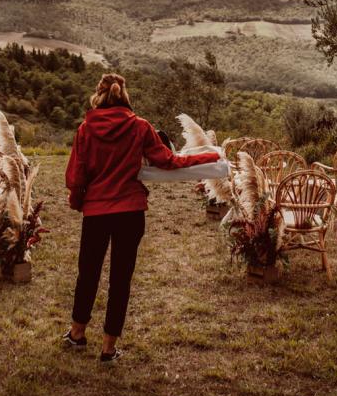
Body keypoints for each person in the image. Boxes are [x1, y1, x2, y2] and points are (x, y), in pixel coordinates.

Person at [64, 73, 221, 362]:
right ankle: (108, 348)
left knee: (87, 273)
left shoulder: (85, 129)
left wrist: (78, 202)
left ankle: (77, 333)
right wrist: (211, 156)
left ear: (98, 96)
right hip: (130, 211)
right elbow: (169, 161)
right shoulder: (140, 127)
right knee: (120, 279)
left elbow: (75, 177)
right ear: (125, 96)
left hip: (97, 211)